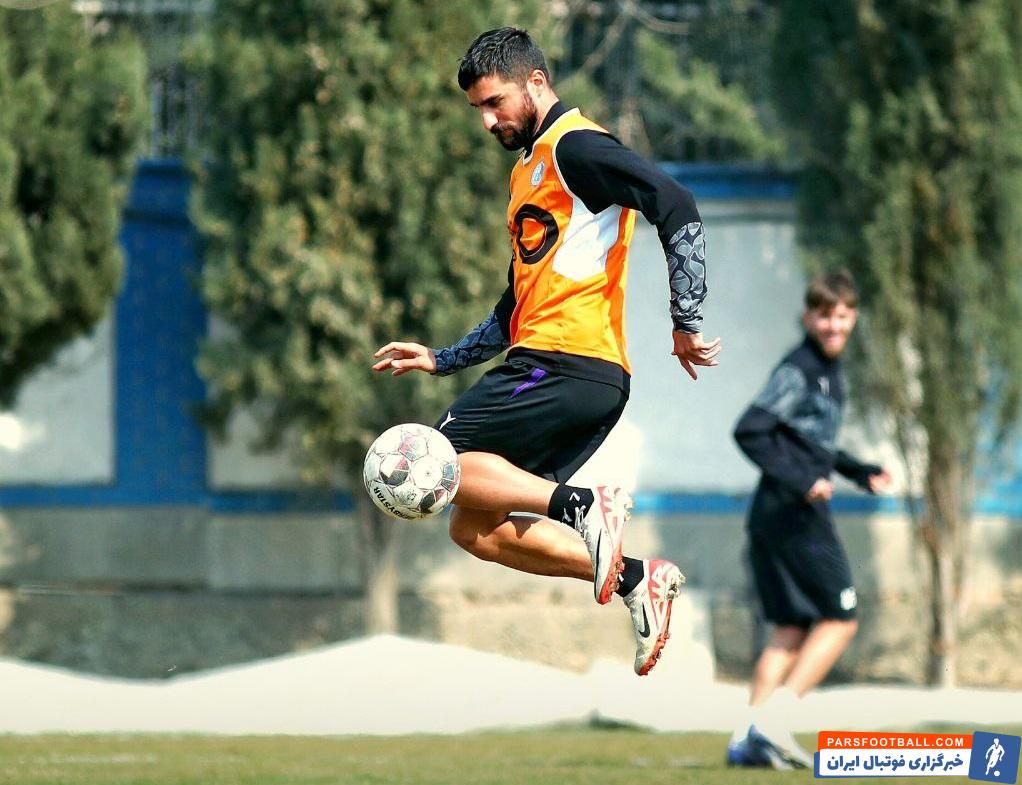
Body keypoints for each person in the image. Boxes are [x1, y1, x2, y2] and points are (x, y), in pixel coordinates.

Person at [372, 27, 721, 676]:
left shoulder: (575, 147)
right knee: (474, 528)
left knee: (435, 459)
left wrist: (686, 317)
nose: (487, 120)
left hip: (563, 361)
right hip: (574, 373)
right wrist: (442, 358)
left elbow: (674, 202)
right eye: (477, 108)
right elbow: (514, 305)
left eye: (495, 102)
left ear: (536, 82)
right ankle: (636, 579)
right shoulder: (527, 171)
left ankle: (581, 506)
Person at [728, 270, 892, 767]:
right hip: (794, 514)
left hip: (774, 512)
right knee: (841, 619)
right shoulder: (800, 368)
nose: (833, 326)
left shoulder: (828, 371)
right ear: (808, 317)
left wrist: (859, 471)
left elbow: (810, 442)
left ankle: (744, 741)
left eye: (841, 316)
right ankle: (774, 724)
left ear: (853, 317)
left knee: (791, 626)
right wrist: (803, 481)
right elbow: (750, 430)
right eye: (824, 316)